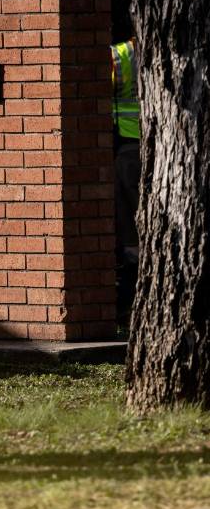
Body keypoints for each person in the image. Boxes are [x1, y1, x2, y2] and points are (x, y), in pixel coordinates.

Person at [111, 36, 141, 323]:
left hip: (129, 144)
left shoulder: (122, 54)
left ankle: (130, 299)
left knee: (130, 224)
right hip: (147, 143)